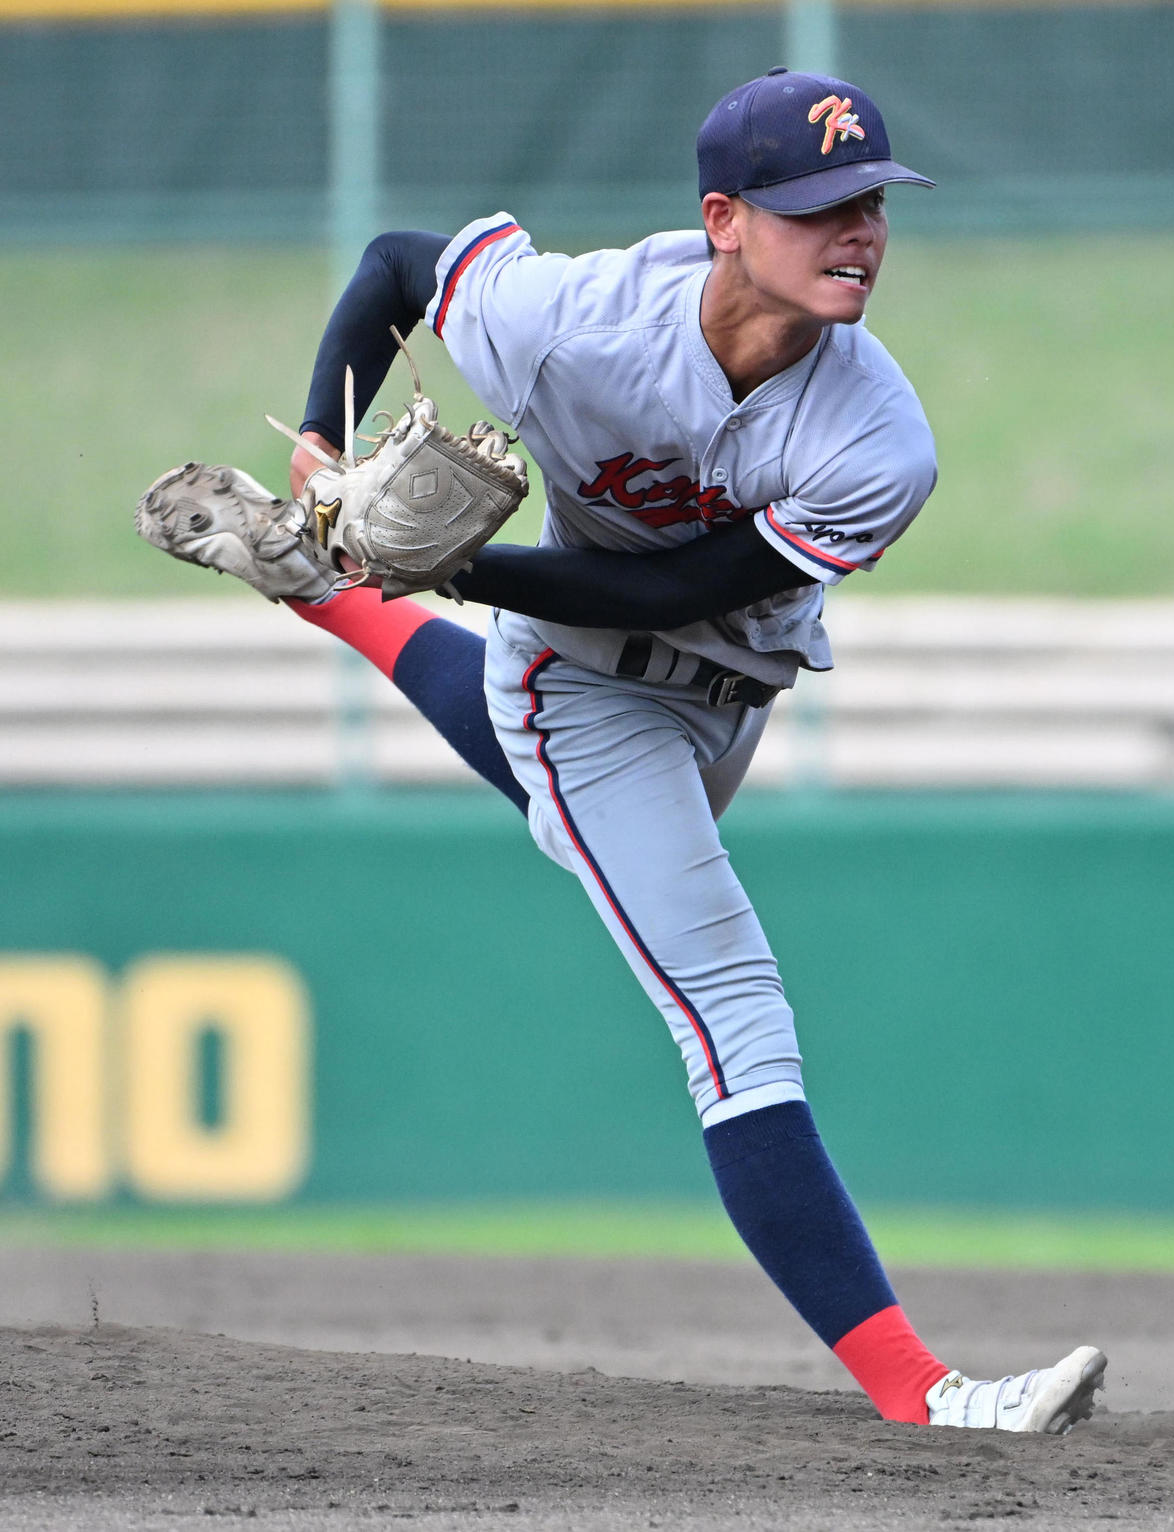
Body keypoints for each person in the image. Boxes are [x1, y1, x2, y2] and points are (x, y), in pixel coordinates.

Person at [142, 67, 1106, 1432]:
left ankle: (325, 590)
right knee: (732, 1012)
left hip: (725, 692)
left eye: (873, 203)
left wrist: (446, 576)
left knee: (563, 785)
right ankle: (924, 1393)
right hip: (581, 691)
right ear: (723, 218)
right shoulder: (573, 322)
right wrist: (318, 442)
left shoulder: (878, 436)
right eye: (819, 205)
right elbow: (396, 267)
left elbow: (677, 592)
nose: (859, 234)